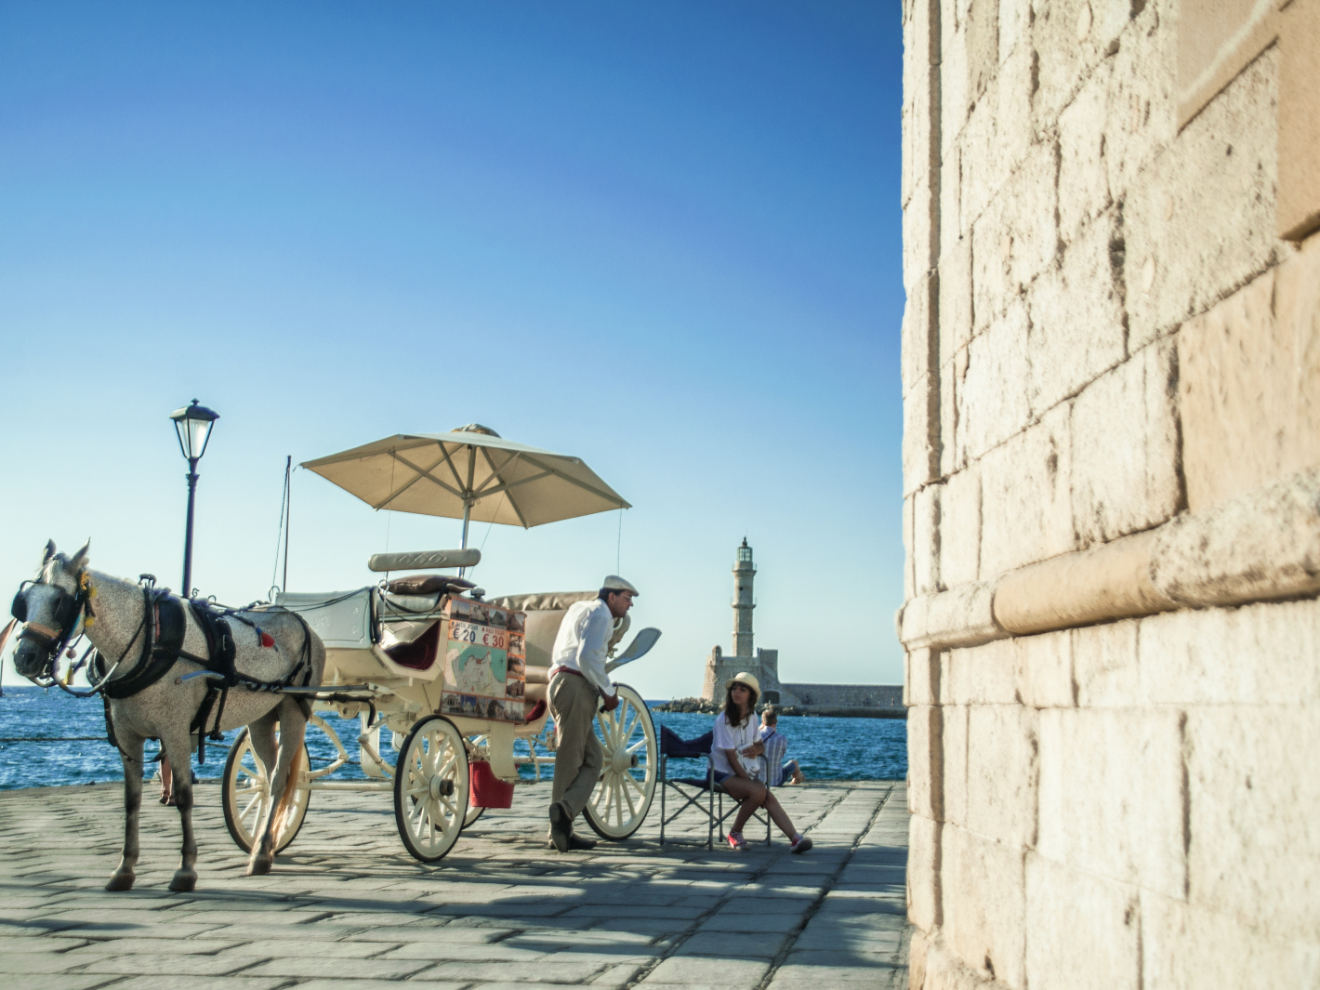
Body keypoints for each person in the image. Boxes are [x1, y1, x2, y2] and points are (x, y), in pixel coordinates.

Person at [545, 575, 637, 853]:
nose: (630, 604)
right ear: (611, 597)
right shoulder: (601, 616)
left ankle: (564, 817)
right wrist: (608, 691)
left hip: (560, 682)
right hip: (576, 686)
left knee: (593, 759)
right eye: (626, 597)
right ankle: (559, 825)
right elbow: (586, 657)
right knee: (570, 760)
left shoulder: (579, 609)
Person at [712, 672, 812, 853]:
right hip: (721, 774)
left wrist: (758, 750)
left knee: (766, 796)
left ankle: (795, 838)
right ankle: (735, 832)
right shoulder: (723, 719)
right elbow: (730, 757)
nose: (737, 692)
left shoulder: (752, 718)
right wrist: (747, 781)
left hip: (744, 773)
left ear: (750, 695)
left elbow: (760, 745)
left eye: (742, 689)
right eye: (735, 688)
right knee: (758, 791)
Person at [759, 707, 806, 786]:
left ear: (762, 721)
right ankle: (797, 779)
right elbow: (781, 755)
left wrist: (760, 728)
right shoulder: (782, 739)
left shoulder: (755, 736)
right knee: (794, 763)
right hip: (776, 781)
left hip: (758, 781)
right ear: (776, 722)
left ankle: (798, 777)